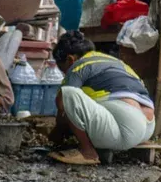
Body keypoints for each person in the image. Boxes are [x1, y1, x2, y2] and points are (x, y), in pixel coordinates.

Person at [48, 30, 155, 165]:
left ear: (70, 59)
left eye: (63, 70)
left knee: (67, 93)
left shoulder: (78, 66)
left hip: (126, 128)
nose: (65, 75)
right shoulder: (116, 62)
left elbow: (63, 103)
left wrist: (57, 134)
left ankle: (87, 152)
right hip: (148, 127)